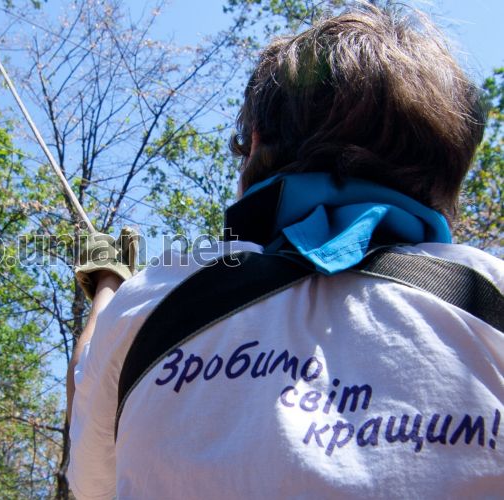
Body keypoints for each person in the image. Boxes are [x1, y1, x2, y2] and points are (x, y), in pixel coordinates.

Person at [68, 5, 503, 498]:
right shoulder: (490, 295)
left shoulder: (154, 303)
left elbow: (92, 477)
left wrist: (108, 282)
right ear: (449, 173)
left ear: (255, 145)